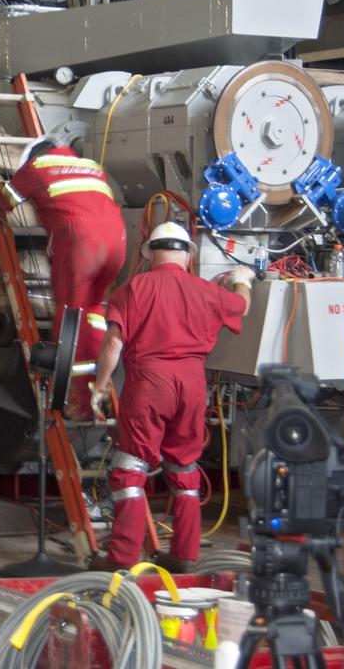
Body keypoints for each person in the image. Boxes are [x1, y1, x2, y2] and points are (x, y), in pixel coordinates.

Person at [88, 222, 254, 573]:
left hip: (150, 382)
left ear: (149, 254)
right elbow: (242, 305)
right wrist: (242, 278)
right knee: (185, 466)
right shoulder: (205, 290)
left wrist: (101, 386)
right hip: (193, 384)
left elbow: (114, 343)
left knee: (130, 467)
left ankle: (123, 558)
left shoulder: (133, 288)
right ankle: (184, 553)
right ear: (189, 255)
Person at [0, 137, 127, 418]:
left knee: (70, 316)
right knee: (94, 311)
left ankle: (72, 401)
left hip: (80, 243)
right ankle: (99, 384)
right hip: (116, 242)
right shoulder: (91, 167)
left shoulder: (38, 166)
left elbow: (3, 201)